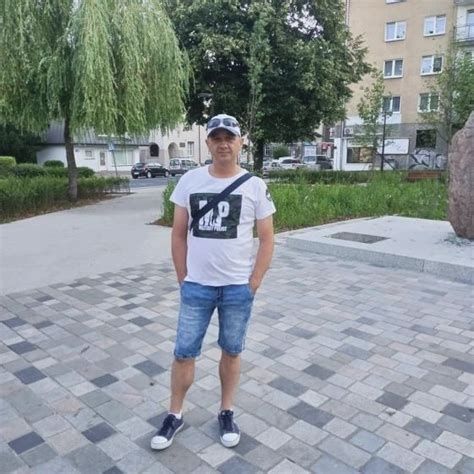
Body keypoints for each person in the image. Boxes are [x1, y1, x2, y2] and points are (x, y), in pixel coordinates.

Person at [150, 113, 276, 450]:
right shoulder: (189, 181)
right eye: (216, 138)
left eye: (229, 138)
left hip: (237, 288)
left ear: (240, 143)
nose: (223, 144)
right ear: (207, 143)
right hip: (197, 286)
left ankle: (226, 411)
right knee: (183, 353)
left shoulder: (254, 185)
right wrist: (183, 278)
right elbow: (178, 234)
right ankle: (174, 414)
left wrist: (253, 282)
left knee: (232, 351)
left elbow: (267, 238)